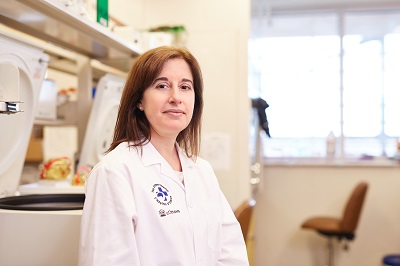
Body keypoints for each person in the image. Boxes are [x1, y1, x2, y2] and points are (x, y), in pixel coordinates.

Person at [78, 46, 249, 266]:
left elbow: (231, 254)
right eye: (162, 86)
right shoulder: (115, 172)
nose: (176, 97)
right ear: (139, 100)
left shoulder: (202, 170)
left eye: (185, 87)